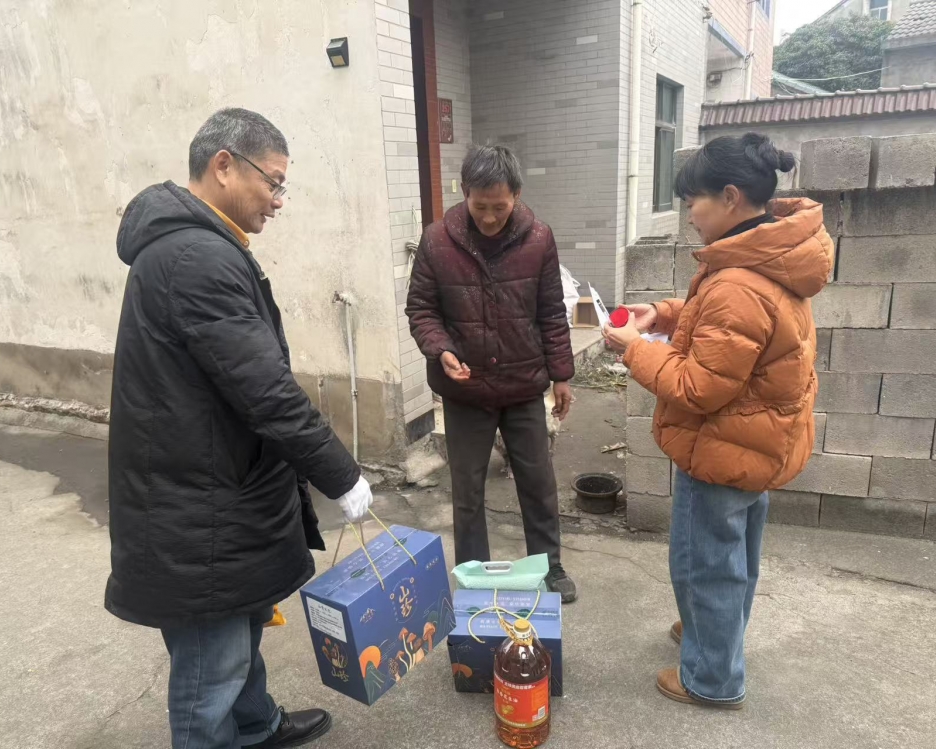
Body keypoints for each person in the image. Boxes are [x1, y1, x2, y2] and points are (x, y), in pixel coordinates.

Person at [106, 108, 374, 749]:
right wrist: (340, 475)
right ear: (224, 165)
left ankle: (255, 727)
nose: (279, 200)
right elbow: (266, 392)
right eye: (273, 182)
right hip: (198, 505)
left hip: (217, 487)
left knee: (240, 631)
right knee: (211, 665)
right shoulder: (196, 257)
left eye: (284, 187)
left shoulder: (203, 245)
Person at [605, 133, 833, 708]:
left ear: (730, 196)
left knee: (704, 564)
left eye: (693, 202)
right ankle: (713, 632)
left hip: (722, 446)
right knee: (733, 558)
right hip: (755, 442)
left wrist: (635, 349)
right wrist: (663, 314)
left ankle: (711, 677)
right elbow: (725, 327)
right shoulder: (767, 254)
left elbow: (696, 387)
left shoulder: (737, 279)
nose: (689, 215)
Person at [406, 144, 577, 603]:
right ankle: (473, 575)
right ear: (465, 192)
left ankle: (550, 565)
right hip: (466, 390)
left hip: (523, 386)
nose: (488, 218)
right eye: (479, 206)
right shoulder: (437, 241)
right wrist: (441, 349)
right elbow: (421, 309)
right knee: (467, 490)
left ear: (516, 195)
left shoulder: (539, 238)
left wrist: (562, 374)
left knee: (538, 483)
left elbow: (551, 312)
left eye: (499, 207)